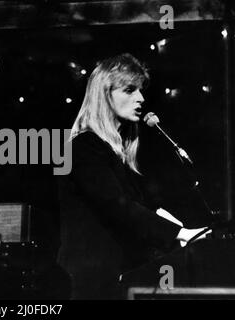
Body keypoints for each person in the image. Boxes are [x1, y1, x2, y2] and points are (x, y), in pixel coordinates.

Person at [57, 53, 210, 299]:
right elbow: (118, 206)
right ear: (104, 95)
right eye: (129, 90)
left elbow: (143, 206)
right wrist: (180, 233)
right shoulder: (82, 148)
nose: (141, 98)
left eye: (140, 90)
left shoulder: (117, 153)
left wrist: (188, 231)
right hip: (91, 283)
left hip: (116, 277)